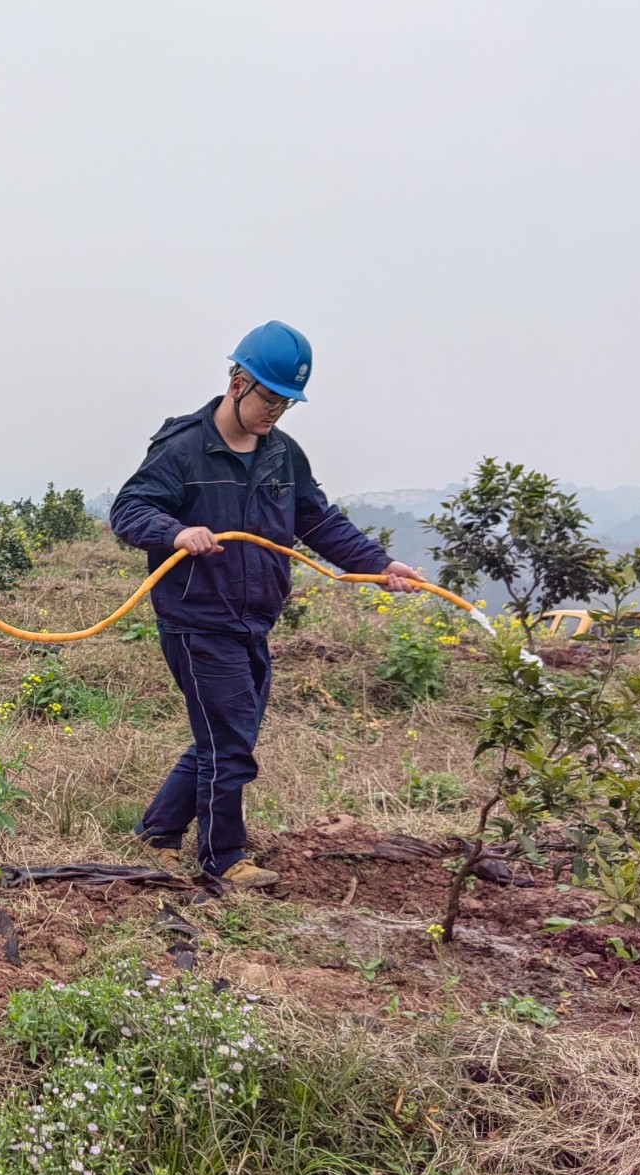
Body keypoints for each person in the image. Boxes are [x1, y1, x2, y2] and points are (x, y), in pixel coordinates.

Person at [108, 320, 423, 889]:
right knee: (229, 745)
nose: (275, 412)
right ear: (237, 383)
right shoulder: (183, 450)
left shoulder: (283, 455)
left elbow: (319, 521)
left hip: (253, 621)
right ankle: (222, 860)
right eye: (269, 398)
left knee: (227, 736)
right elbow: (129, 511)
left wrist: (379, 567)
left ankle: (158, 832)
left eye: (286, 403)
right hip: (197, 621)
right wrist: (176, 532)